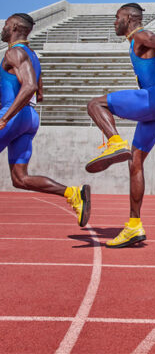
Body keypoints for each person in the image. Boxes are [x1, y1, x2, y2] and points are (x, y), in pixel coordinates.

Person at [86, 3, 155, 248]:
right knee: (135, 163)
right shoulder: (136, 41)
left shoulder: (140, 36)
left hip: (153, 100)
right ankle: (134, 226)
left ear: (130, 18)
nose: (114, 22)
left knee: (95, 105)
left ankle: (115, 142)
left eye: (117, 17)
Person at [0, 13, 90, 226]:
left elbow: (30, 86)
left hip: (14, 115)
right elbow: (39, 94)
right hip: (30, 117)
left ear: (13, 27)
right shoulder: (32, 55)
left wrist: (5, 117)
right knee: (20, 179)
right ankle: (73, 193)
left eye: (5, 25)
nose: (2, 28)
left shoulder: (14, 52)